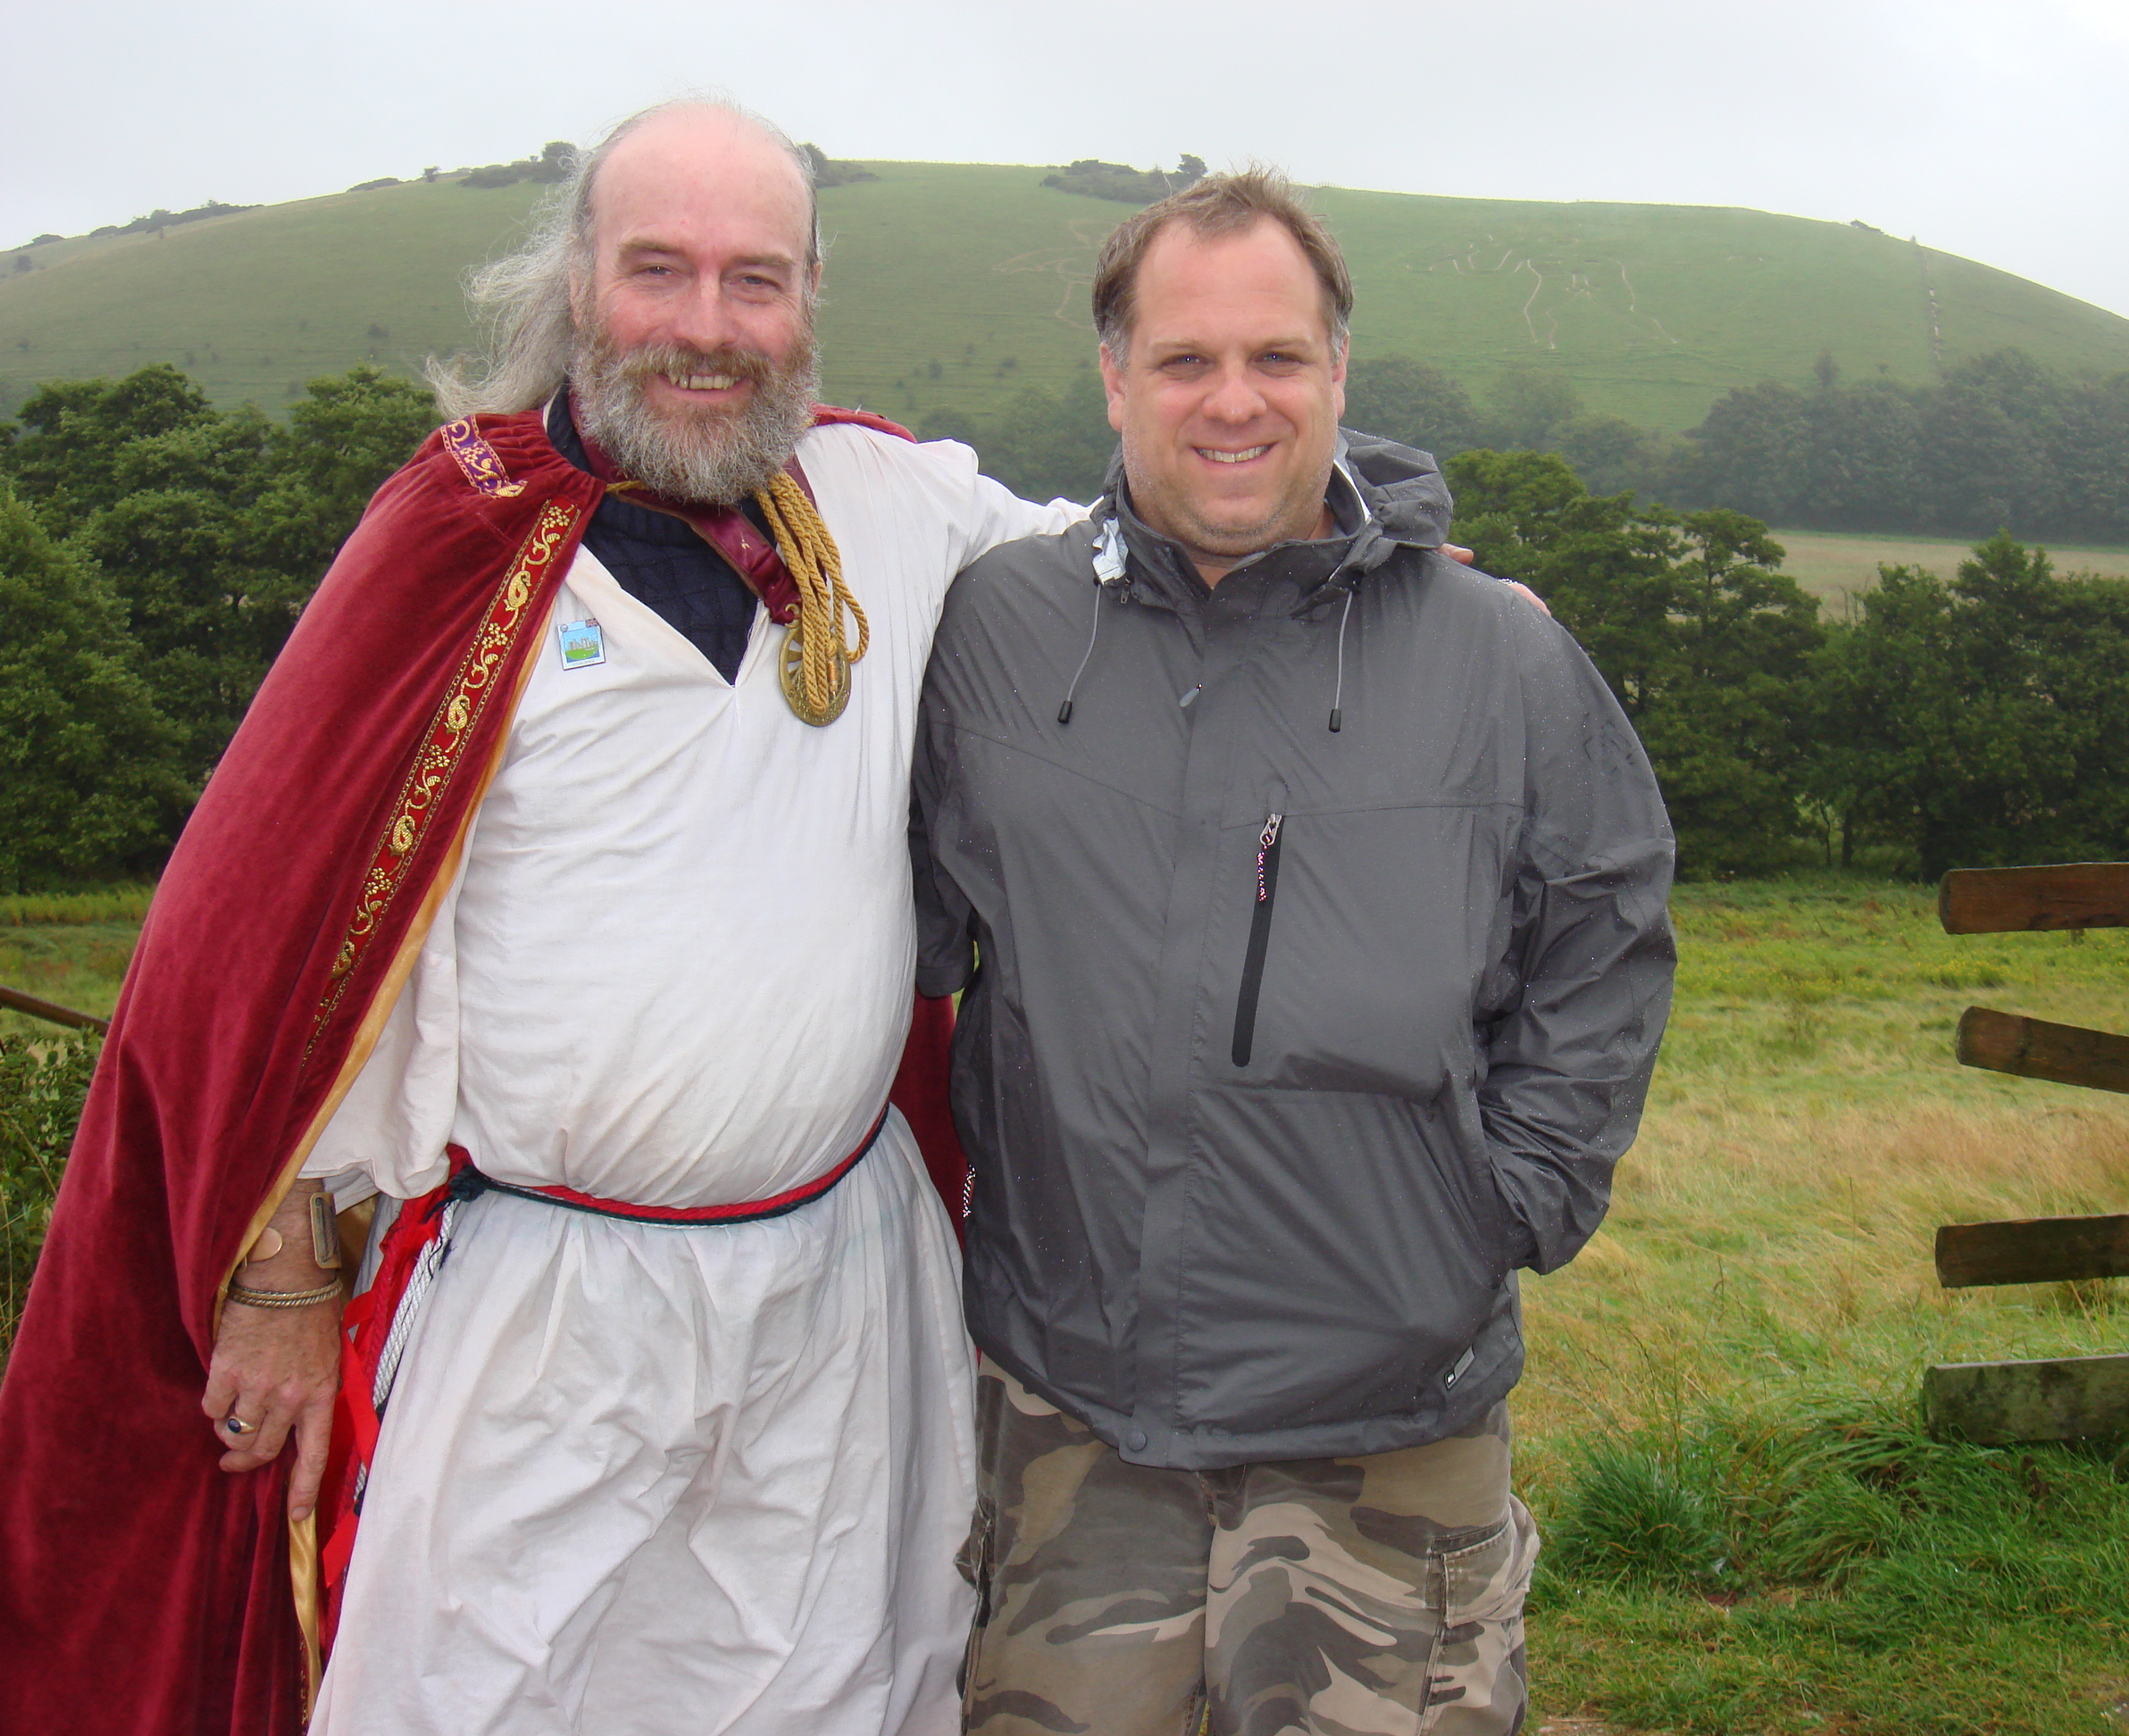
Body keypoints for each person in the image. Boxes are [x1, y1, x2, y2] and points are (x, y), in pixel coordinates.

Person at [0, 100, 1078, 1736]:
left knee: (842, 1692)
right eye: (660, 272)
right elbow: (268, 947)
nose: (707, 328)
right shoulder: (453, 541)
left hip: (841, 1295)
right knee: (481, 1698)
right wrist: (284, 1276)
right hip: (549, 1310)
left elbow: (1135, 562)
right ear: (578, 283)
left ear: (809, 302)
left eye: (755, 280)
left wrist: (1393, 567)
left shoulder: (889, 506)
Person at [911, 170, 1677, 1736]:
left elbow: (1609, 924)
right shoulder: (995, 634)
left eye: (1277, 358)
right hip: (1079, 1417)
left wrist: (1505, 1200)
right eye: (1186, 361)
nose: (1233, 402)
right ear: (1116, 379)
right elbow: (906, 923)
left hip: (1387, 1427)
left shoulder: (1501, 657)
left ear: (1340, 372)